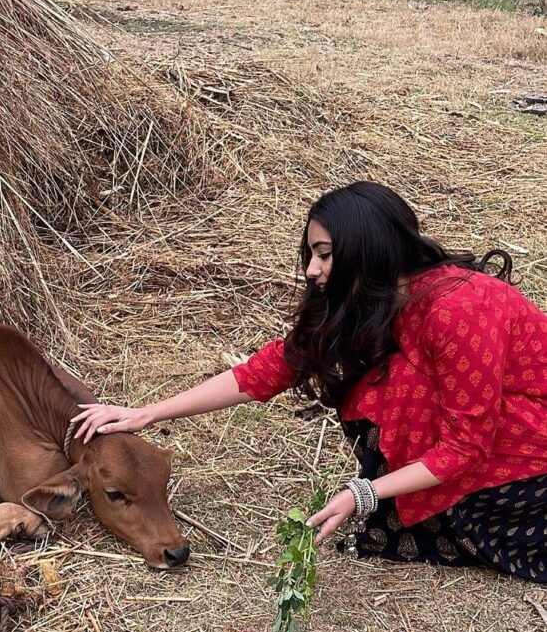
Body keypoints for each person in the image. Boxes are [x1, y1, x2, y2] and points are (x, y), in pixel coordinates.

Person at [71, 182, 547, 582]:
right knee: (390, 380)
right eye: (311, 254)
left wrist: (365, 492)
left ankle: (477, 511)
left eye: (324, 255)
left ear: (368, 250)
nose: (311, 270)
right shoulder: (373, 297)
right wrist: (147, 413)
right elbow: (272, 367)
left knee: (404, 391)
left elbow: (467, 445)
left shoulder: (460, 311)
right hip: (477, 446)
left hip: (528, 451)